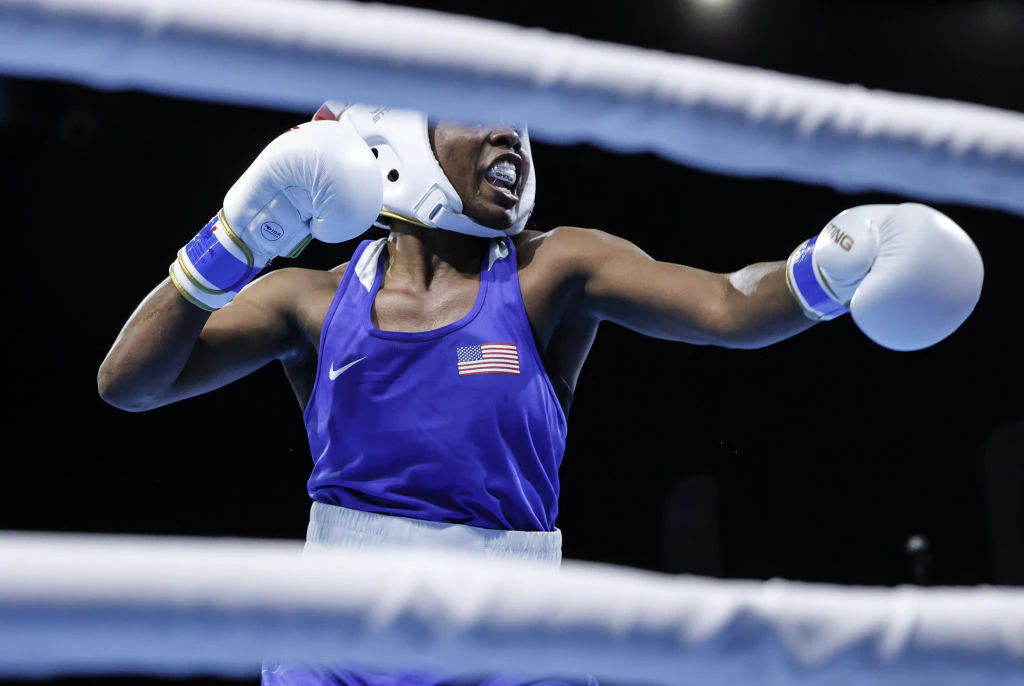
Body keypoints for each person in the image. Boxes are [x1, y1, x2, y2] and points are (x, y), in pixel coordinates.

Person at [96, 100, 984, 685]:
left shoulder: (552, 270)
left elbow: (724, 306)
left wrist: (826, 270)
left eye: (521, 124)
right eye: (482, 116)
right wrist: (233, 239)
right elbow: (129, 385)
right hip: (337, 640)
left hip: (514, 636)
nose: (510, 139)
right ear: (397, 140)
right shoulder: (311, 299)